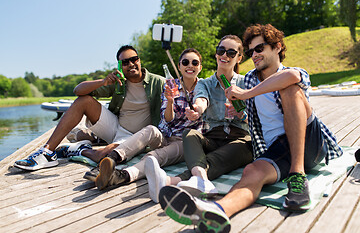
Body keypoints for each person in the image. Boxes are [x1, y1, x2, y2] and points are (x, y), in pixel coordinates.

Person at [158, 24, 343, 233]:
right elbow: (240, 112)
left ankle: (297, 175)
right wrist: (240, 113)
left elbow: (291, 78)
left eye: (260, 48)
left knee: (290, 90)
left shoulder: (288, 73)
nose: (254, 54)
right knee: (251, 171)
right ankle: (216, 212)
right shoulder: (249, 79)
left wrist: (246, 95)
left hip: (310, 144)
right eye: (251, 51)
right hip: (278, 149)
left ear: (277, 47)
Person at [14, 45, 165, 171]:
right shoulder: (119, 82)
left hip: (137, 136)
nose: (131, 64)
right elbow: (78, 90)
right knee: (83, 101)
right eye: (125, 62)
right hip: (115, 127)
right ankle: (47, 152)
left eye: (134, 59)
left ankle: (77, 150)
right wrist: (104, 81)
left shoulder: (158, 82)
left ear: (139, 60)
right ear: (120, 66)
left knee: (106, 155)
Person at [147, 35, 253, 204]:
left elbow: (256, 116)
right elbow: (201, 99)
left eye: (231, 52)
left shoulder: (247, 82)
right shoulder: (205, 83)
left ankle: (171, 181)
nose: (224, 55)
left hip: (240, 137)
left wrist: (242, 114)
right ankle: (201, 182)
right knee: (190, 134)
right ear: (216, 54)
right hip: (214, 137)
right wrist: (197, 110)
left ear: (239, 58)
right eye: (221, 50)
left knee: (217, 157)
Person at [93, 48, 206, 192]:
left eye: (194, 63)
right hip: (165, 135)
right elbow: (168, 119)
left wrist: (197, 109)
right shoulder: (171, 85)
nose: (190, 66)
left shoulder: (203, 86)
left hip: (186, 141)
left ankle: (121, 176)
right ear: (179, 66)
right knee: (150, 130)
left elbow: (203, 101)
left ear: (200, 67)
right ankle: (110, 160)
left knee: (154, 156)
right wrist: (170, 101)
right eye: (185, 62)